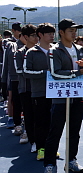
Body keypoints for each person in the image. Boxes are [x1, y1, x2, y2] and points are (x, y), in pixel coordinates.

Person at [43, 19, 83, 173]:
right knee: (55, 132)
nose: (74, 33)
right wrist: (79, 72)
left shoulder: (80, 49)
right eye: (71, 31)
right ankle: (50, 165)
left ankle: (71, 160)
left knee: (74, 132)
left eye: (75, 30)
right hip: (60, 98)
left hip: (78, 96)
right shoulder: (55, 51)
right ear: (62, 32)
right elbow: (55, 74)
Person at [24, 23, 55, 161]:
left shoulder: (56, 50)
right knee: (41, 122)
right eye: (49, 34)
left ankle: (51, 149)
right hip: (39, 93)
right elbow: (26, 71)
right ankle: (41, 149)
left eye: (53, 33)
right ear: (40, 35)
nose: (52, 36)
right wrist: (45, 73)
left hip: (55, 93)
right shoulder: (31, 52)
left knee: (53, 123)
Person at [15, 24, 38, 146]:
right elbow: (19, 71)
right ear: (25, 37)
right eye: (33, 35)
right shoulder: (19, 53)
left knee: (41, 116)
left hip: (40, 89)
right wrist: (37, 73)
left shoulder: (41, 51)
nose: (36, 38)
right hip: (26, 89)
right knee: (29, 116)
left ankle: (41, 142)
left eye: (37, 35)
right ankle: (33, 141)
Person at [2, 22, 24, 132]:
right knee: (12, 97)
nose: (19, 32)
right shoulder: (9, 43)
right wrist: (4, 78)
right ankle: (12, 119)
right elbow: (6, 63)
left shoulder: (29, 43)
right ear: (13, 31)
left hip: (25, 77)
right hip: (13, 76)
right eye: (18, 30)